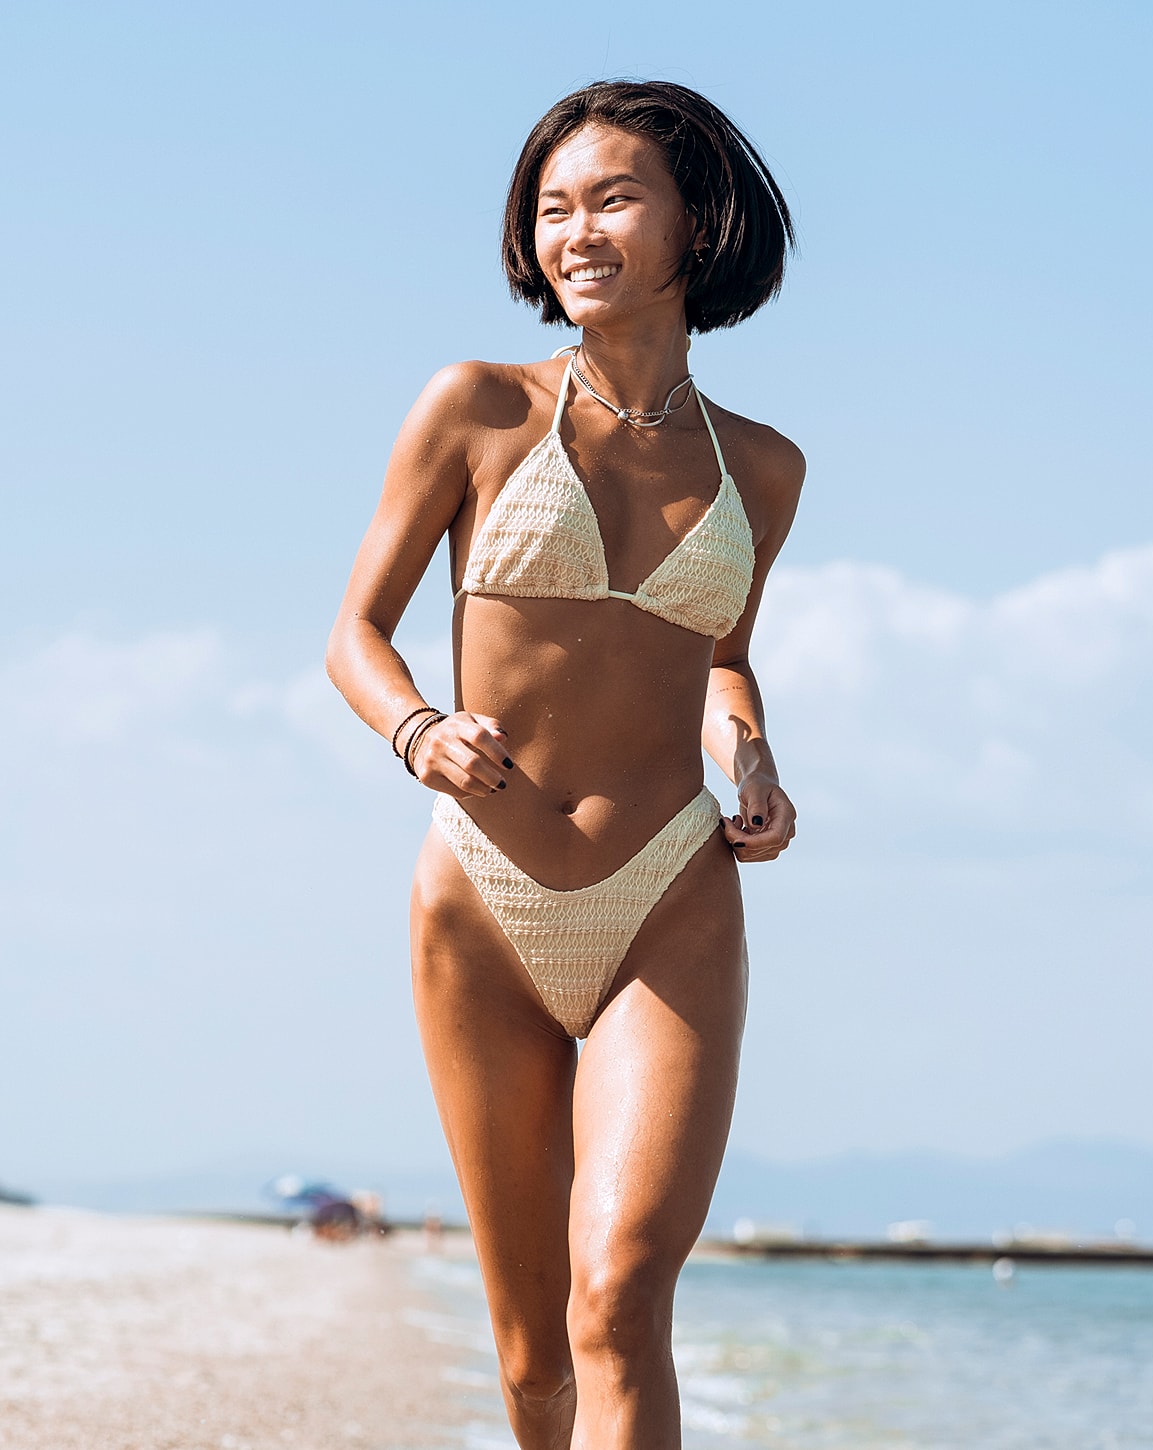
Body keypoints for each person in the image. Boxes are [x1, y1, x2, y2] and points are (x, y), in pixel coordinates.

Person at [327, 79, 804, 1450]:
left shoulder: (763, 469)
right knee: (535, 1351)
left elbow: (720, 657)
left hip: (671, 894)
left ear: (698, 221)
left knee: (622, 1300)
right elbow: (355, 633)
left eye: (612, 198)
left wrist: (753, 758)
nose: (576, 231)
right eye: (552, 208)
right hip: (483, 897)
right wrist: (419, 729)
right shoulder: (477, 407)